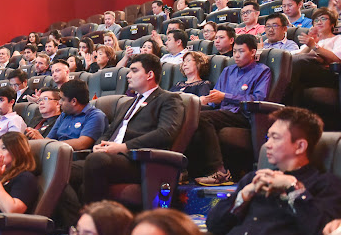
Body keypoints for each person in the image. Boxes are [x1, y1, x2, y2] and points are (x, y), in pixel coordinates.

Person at [207, 107, 341, 235]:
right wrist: (243, 196)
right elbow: (213, 225)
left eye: (275, 138)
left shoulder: (325, 183)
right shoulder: (253, 179)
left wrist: (293, 189)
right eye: (267, 137)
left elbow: (321, 234)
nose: (267, 145)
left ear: (300, 146)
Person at [74, 54, 184, 204]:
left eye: (134, 70)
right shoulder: (127, 103)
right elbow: (109, 131)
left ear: (150, 74)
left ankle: (95, 220)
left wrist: (124, 147)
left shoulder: (168, 99)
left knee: (96, 161)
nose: (128, 75)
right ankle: (70, 221)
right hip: (109, 157)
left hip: (138, 161)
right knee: (64, 167)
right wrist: (98, 145)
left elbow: (165, 133)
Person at [191, 34, 271, 185]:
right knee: (190, 115)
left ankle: (220, 172)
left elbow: (259, 99)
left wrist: (225, 97)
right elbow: (215, 99)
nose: (236, 55)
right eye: (234, 51)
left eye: (241, 51)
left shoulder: (262, 71)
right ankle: (186, 170)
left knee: (203, 118)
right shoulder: (228, 71)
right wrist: (203, 101)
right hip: (223, 113)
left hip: (244, 115)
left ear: (253, 52)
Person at [291, 8, 341, 102]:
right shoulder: (311, 41)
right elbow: (298, 57)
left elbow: (337, 59)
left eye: (323, 18)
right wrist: (309, 46)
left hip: (329, 74)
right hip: (307, 73)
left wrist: (314, 46)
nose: (319, 22)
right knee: (290, 63)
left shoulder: (338, 39)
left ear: (332, 24)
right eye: (316, 20)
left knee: (297, 65)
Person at [42, 80, 108, 151]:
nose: (60, 103)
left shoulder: (95, 116)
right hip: (56, 153)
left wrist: (54, 145)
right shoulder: (64, 114)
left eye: (62, 99)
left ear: (74, 101)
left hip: (76, 157)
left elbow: (82, 144)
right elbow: (49, 139)